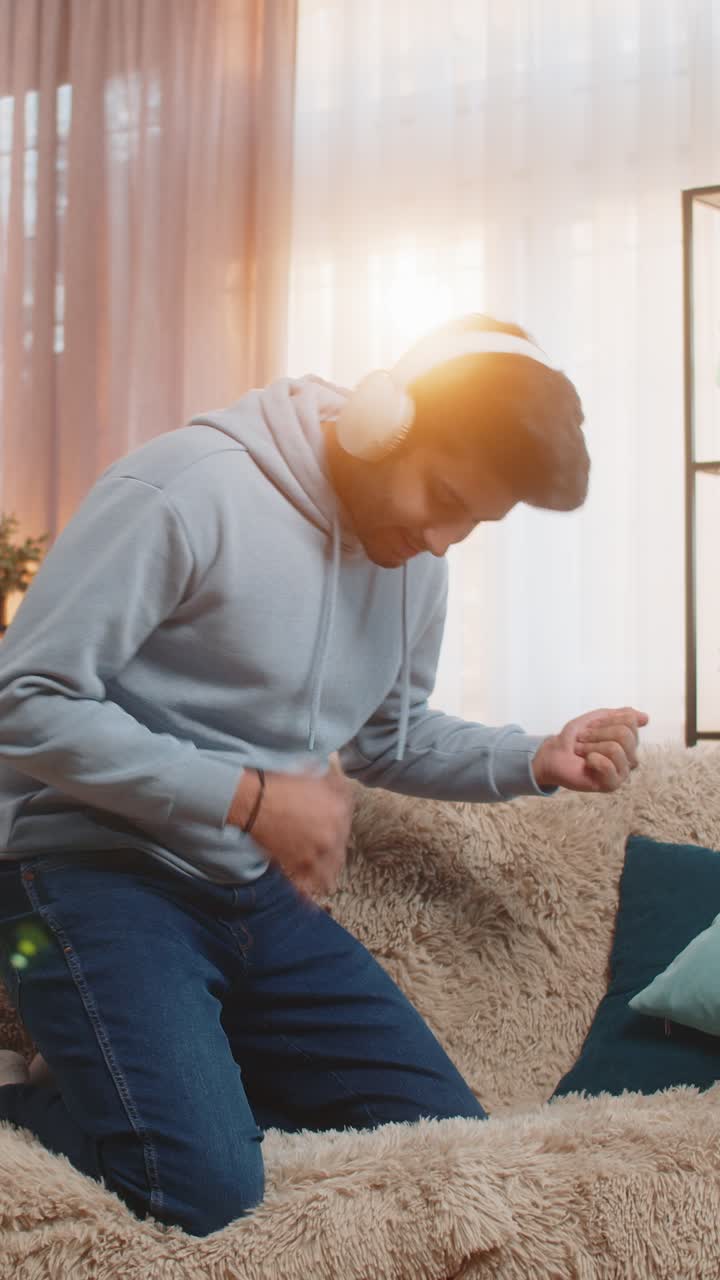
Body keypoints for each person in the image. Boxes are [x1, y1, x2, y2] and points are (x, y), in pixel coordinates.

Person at [0, 313, 647, 1237]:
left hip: (255, 900)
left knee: (448, 1144)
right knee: (207, 1194)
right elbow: (23, 700)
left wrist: (533, 756)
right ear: (383, 418)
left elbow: (391, 738)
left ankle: (146, 1085)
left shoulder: (417, 556)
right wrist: (249, 798)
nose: (441, 536)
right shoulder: (186, 489)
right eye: (445, 493)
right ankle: (58, 1103)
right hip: (87, 873)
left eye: (476, 521)